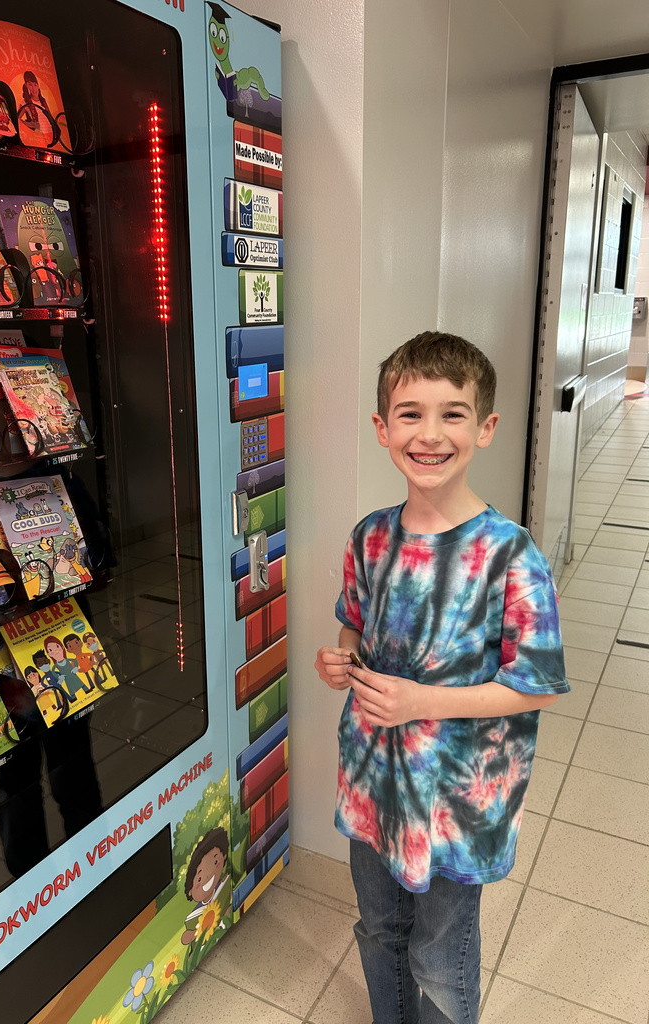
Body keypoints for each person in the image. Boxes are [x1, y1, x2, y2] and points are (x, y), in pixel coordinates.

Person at [314, 332, 569, 1024]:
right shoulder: (370, 537)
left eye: (452, 414)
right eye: (410, 414)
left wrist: (423, 701)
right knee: (380, 929)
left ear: (485, 427)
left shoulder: (511, 556)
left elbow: (537, 684)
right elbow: (353, 626)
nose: (429, 434)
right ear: (383, 428)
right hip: (374, 780)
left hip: (457, 803)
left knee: (439, 953)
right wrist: (340, 658)